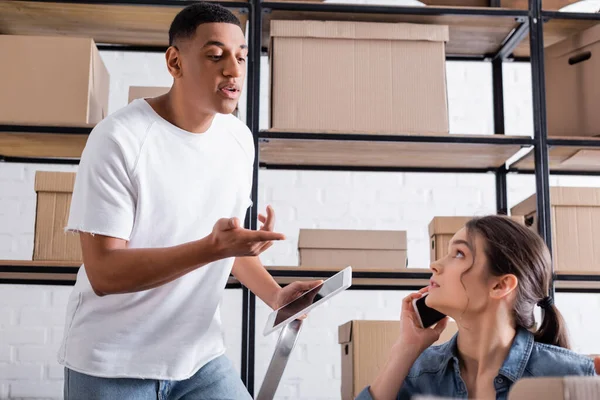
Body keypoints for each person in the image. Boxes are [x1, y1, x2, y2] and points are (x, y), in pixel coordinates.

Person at [58, 2, 321, 399]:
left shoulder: (237, 139)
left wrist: (276, 295)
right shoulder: (119, 140)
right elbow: (104, 273)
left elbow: (226, 245)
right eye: (215, 56)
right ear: (175, 62)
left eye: (241, 56)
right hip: (113, 364)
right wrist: (212, 248)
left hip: (200, 359)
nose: (233, 70)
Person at [358, 215, 597, 400]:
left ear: (501, 285)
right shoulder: (419, 369)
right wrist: (406, 348)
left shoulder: (572, 374)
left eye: (459, 254)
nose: (435, 265)